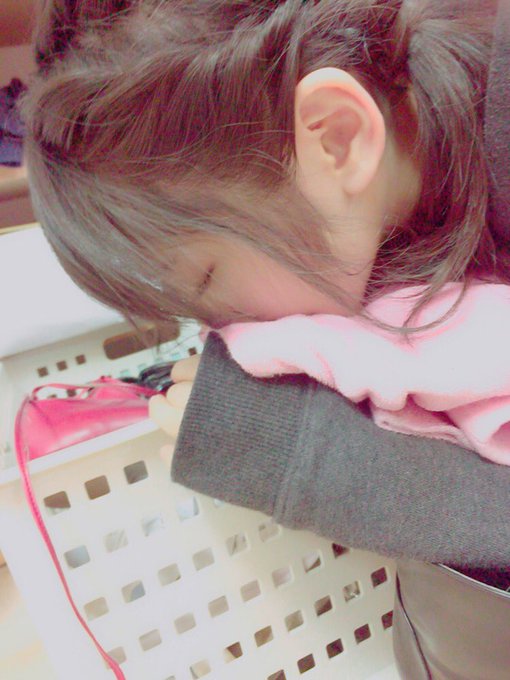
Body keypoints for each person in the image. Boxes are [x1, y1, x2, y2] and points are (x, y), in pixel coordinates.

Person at [21, 0, 510, 676]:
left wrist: (294, 452)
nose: (222, 333)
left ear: (338, 138)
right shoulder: (398, 201)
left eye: (206, 280)